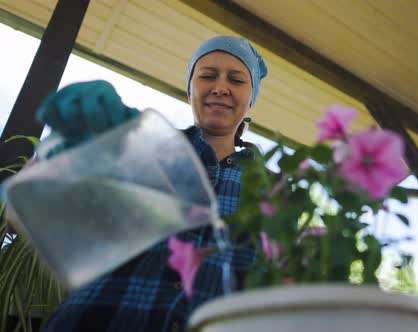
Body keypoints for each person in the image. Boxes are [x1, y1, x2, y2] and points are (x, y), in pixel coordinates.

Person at [37, 35, 268, 332]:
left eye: (236, 80)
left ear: (251, 98)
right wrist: (73, 153)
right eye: (208, 76)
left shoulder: (271, 189)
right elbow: (44, 214)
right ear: (190, 90)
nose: (220, 87)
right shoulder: (140, 146)